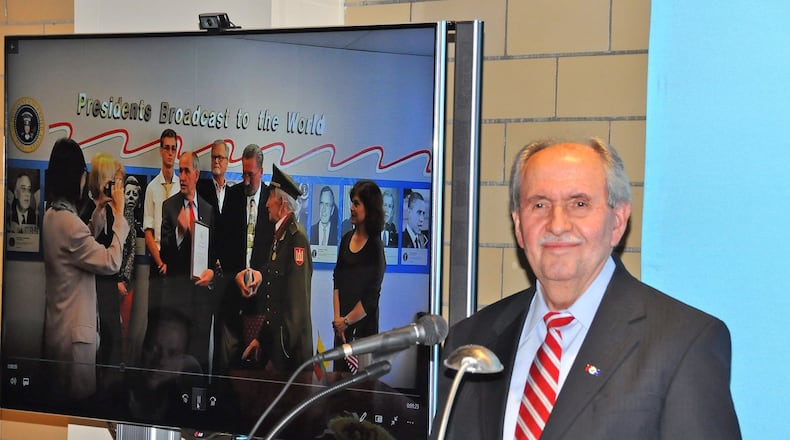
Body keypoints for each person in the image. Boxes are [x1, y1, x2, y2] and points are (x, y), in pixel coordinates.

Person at [432, 139, 741, 439]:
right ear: (519, 226)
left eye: (579, 204)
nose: (557, 225)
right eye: (539, 204)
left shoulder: (681, 343)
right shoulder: (472, 341)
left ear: (617, 221)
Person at [41, 138, 129, 402]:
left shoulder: (52, 216)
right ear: (75, 177)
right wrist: (120, 216)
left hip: (59, 333)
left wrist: (100, 208)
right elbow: (111, 261)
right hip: (74, 343)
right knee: (77, 408)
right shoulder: (69, 225)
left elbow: (80, 244)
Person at [241, 165, 313, 373]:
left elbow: (296, 310)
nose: (266, 204)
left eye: (270, 197)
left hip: (291, 358)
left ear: (281, 203)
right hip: (279, 350)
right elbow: (274, 304)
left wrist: (277, 357)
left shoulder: (296, 239)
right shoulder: (281, 237)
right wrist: (261, 340)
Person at [215, 144, 274, 372]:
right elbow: (222, 245)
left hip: (262, 302)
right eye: (243, 174)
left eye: (251, 174)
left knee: (257, 371)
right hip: (233, 296)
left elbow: (275, 252)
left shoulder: (272, 199)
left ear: (261, 171)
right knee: (228, 365)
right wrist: (236, 274)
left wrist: (261, 275)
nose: (247, 181)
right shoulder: (232, 196)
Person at [157, 150, 216, 372]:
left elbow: (213, 255)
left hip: (201, 304)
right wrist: (180, 232)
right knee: (173, 363)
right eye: (179, 171)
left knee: (197, 363)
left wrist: (211, 273)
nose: (181, 177)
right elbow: (165, 255)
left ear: (196, 175)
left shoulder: (208, 210)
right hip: (176, 301)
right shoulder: (169, 207)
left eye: (186, 171)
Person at [331, 180, 386, 372]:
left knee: (361, 386)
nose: (351, 208)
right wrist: (338, 321)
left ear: (369, 209)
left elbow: (371, 298)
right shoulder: (346, 238)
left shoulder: (375, 247)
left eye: (356, 203)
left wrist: (346, 321)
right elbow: (337, 280)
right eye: (352, 203)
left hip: (363, 333)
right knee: (338, 381)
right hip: (341, 330)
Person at [85, 153, 131, 368]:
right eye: (112, 180)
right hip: (90, 286)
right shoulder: (87, 208)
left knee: (111, 343)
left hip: (110, 286)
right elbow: (90, 240)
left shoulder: (114, 210)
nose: (116, 186)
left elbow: (124, 248)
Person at [143, 128, 180, 278]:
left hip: (178, 260)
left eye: (173, 148)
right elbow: (148, 232)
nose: (170, 153)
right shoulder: (151, 188)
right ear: (161, 151)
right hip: (156, 259)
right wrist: (160, 263)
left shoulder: (182, 187)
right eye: (167, 148)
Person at [197, 139, 233, 217]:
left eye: (220, 157)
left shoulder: (233, 194)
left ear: (226, 162)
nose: (216, 161)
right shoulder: (200, 190)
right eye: (214, 157)